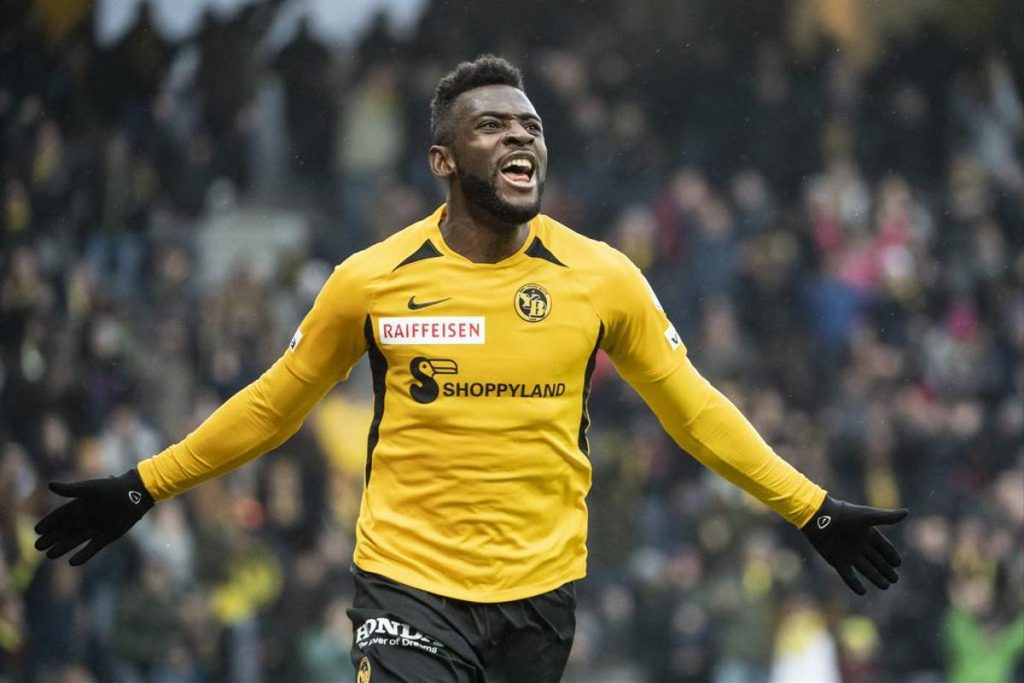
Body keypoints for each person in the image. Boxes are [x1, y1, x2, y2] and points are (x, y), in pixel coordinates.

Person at [35, 55, 908, 682]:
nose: (520, 135)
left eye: (531, 126)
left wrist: (811, 507)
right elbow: (273, 405)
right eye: (492, 125)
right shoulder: (372, 281)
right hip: (407, 586)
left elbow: (694, 409)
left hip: (541, 599)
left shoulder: (601, 277)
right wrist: (146, 483)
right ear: (443, 161)